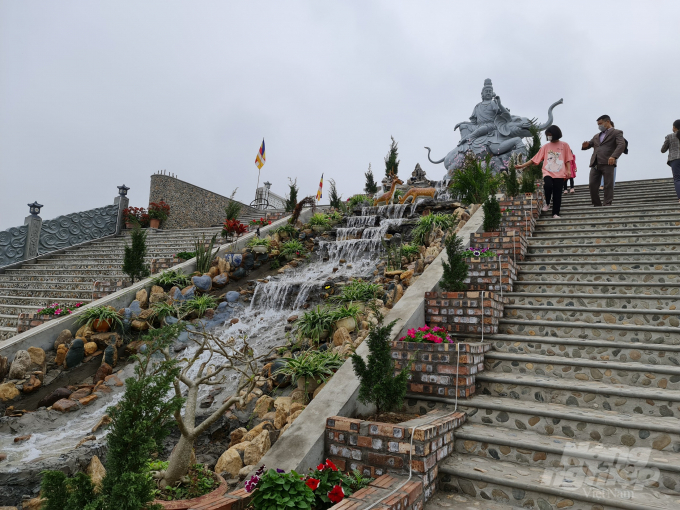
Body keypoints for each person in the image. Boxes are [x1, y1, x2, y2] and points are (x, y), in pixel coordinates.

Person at [516, 125, 573, 218]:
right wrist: (522, 165)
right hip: (548, 172)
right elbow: (535, 158)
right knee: (548, 185)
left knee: (557, 193)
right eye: (547, 135)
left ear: (555, 134)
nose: (548, 137)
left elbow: (567, 159)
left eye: (549, 134)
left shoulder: (564, 145)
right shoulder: (545, 147)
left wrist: (569, 171)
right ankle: (547, 203)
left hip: (560, 173)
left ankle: (555, 213)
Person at [582, 115, 626, 206]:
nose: (599, 126)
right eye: (598, 124)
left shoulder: (616, 132)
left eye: (601, 124)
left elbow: (621, 145)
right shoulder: (596, 136)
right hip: (595, 163)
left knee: (608, 184)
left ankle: (607, 204)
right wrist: (585, 145)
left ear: (608, 122)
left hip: (608, 162)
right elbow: (590, 144)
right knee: (592, 185)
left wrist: (614, 156)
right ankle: (596, 204)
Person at [661, 119, 680, 202]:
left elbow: (663, 150)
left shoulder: (670, 136)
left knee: (677, 179)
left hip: (675, 159)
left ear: (674, 127)